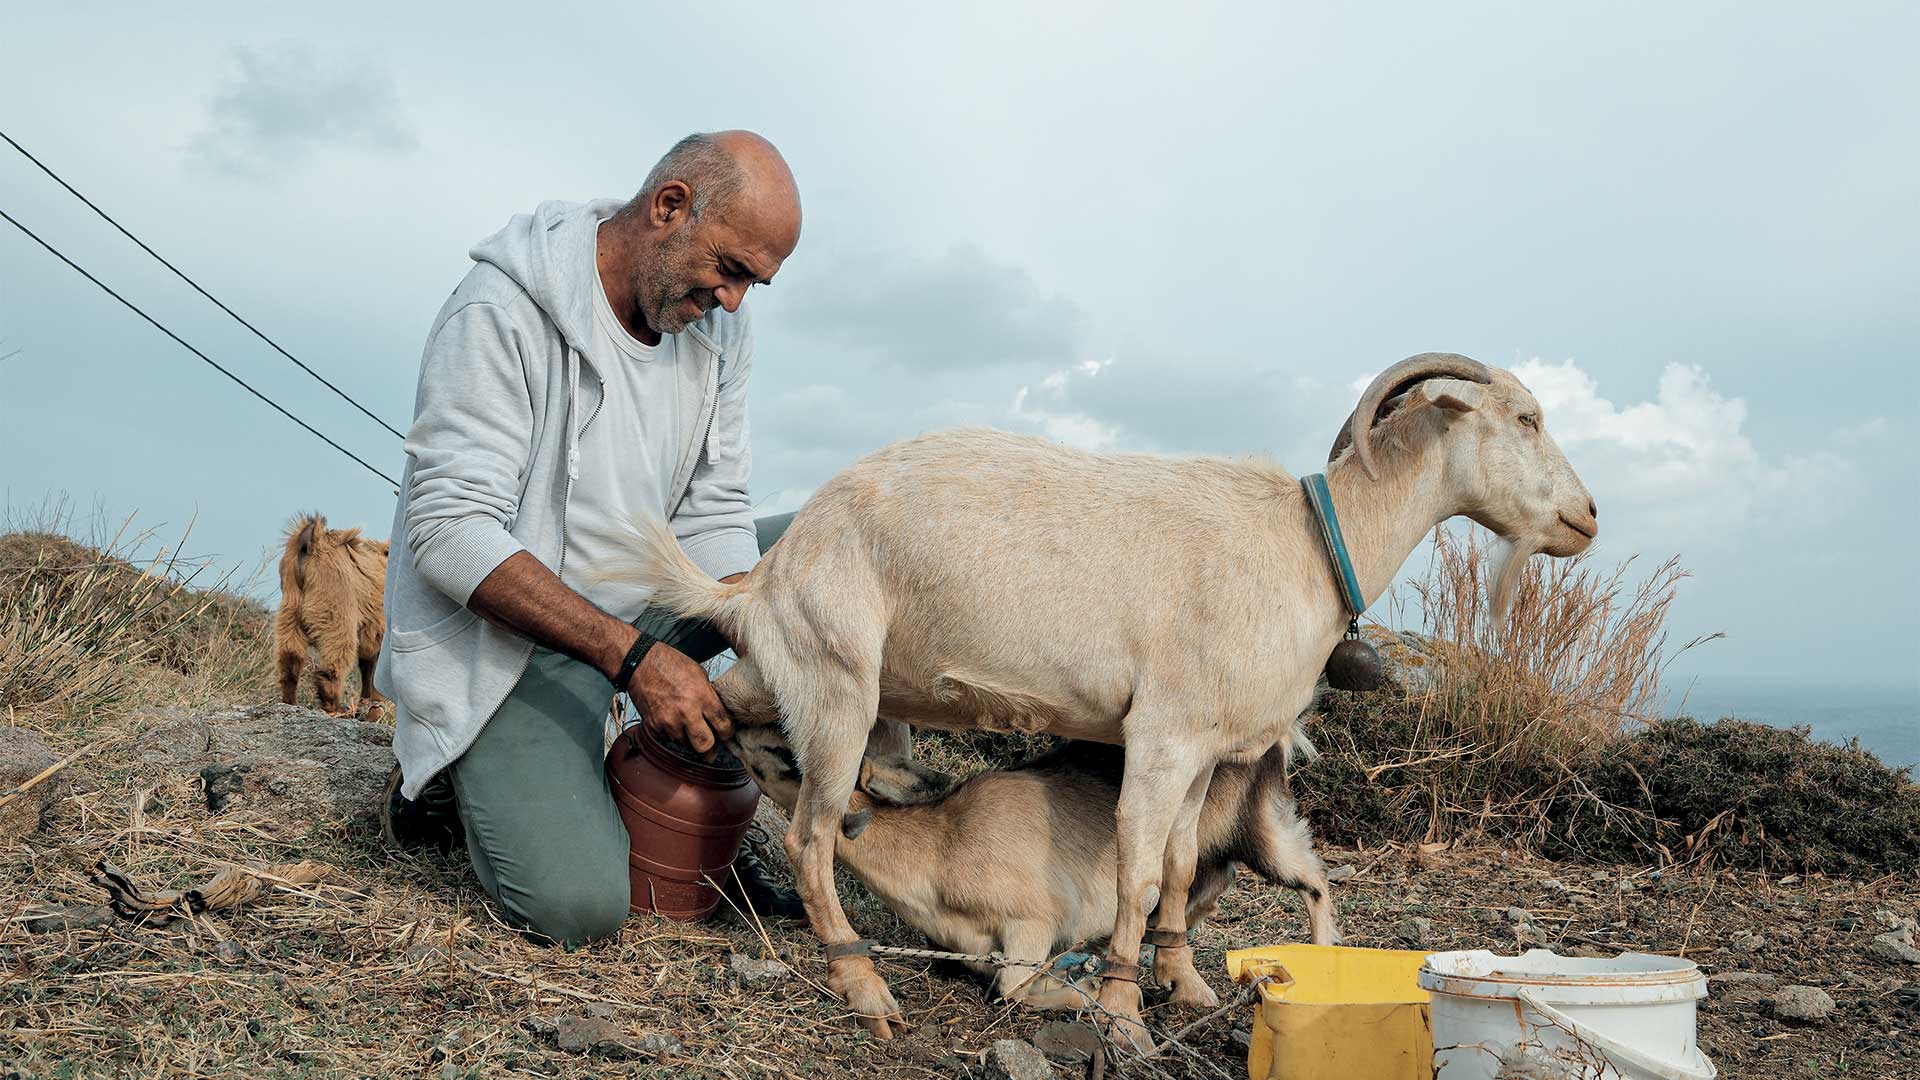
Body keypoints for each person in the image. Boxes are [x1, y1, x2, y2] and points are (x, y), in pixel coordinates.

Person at [373, 131, 807, 945]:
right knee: (576, 908)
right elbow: (448, 532)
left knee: (827, 548)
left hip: (646, 610)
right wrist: (637, 663)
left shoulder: (719, 334)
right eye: (732, 269)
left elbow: (714, 510)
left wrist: (759, 624)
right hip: (516, 648)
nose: (736, 301)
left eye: (756, 282)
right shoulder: (499, 309)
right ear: (669, 206)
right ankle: (444, 782)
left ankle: (666, 796)